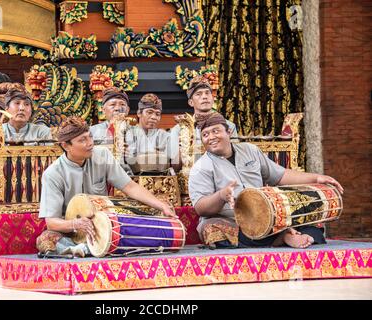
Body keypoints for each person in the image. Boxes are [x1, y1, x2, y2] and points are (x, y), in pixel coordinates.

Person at [188, 112, 344, 249]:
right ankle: (282, 237)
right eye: (205, 134)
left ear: (228, 132)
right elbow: (201, 208)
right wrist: (221, 196)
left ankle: (279, 235)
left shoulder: (250, 150)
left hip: (266, 215)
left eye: (216, 131)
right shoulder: (201, 167)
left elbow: (280, 176)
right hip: (232, 221)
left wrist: (316, 177)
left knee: (311, 223)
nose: (211, 137)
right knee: (211, 230)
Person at [37, 116, 176, 257]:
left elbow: (129, 186)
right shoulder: (53, 174)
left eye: (89, 137)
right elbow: (51, 222)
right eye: (82, 140)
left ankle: (84, 250)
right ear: (65, 146)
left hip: (104, 224)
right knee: (45, 239)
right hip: (71, 230)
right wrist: (76, 224)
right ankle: (80, 248)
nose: (90, 143)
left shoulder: (102, 154)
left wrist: (161, 205)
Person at [0, 86, 52, 181]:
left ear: (31, 111)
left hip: (34, 188)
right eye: (17, 103)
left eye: (26, 104)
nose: (22, 108)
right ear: (7, 109)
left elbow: (50, 169)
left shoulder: (42, 132)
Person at [169, 75, 238, 169]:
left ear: (213, 98)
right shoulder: (179, 130)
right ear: (191, 102)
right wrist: (182, 148)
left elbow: (236, 159)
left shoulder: (229, 126)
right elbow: (175, 166)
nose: (204, 97)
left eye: (207, 93)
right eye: (199, 94)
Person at [125, 93, 170, 174]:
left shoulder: (165, 136)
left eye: (157, 114)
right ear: (139, 113)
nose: (154, 117)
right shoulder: (127, 134)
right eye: (149, 112)